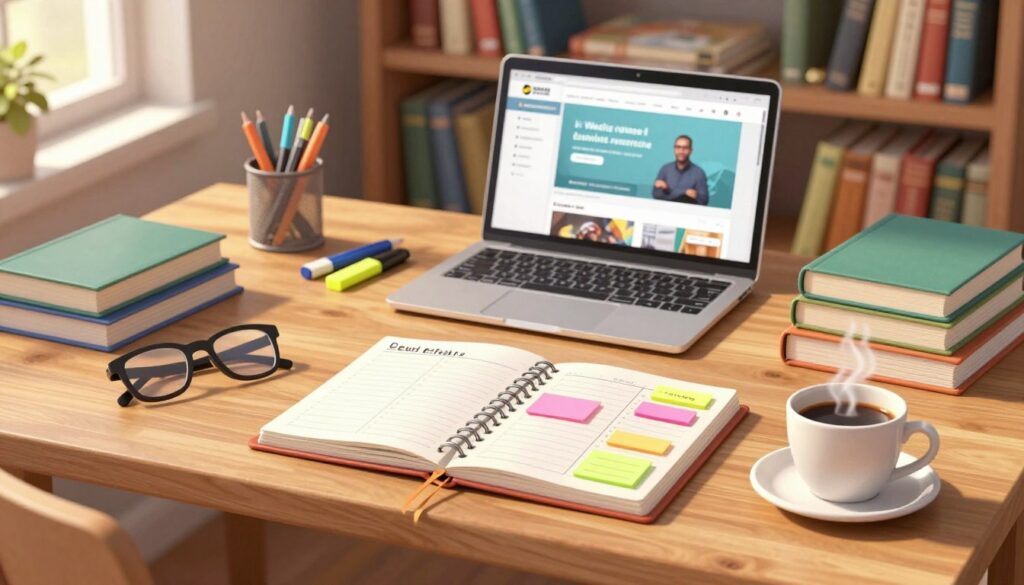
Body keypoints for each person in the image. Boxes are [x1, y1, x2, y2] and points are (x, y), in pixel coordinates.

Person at [652, 135, 709, 205]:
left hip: (686, 214)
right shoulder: (665, 169)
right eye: (678, 147)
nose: (681, 151)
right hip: (665, 212)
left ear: (691, 151)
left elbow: (703, 201)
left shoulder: (699, 173)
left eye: (685, 148)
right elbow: (656, 195)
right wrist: (684, 193)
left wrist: (668, 190)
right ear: (674, 149)